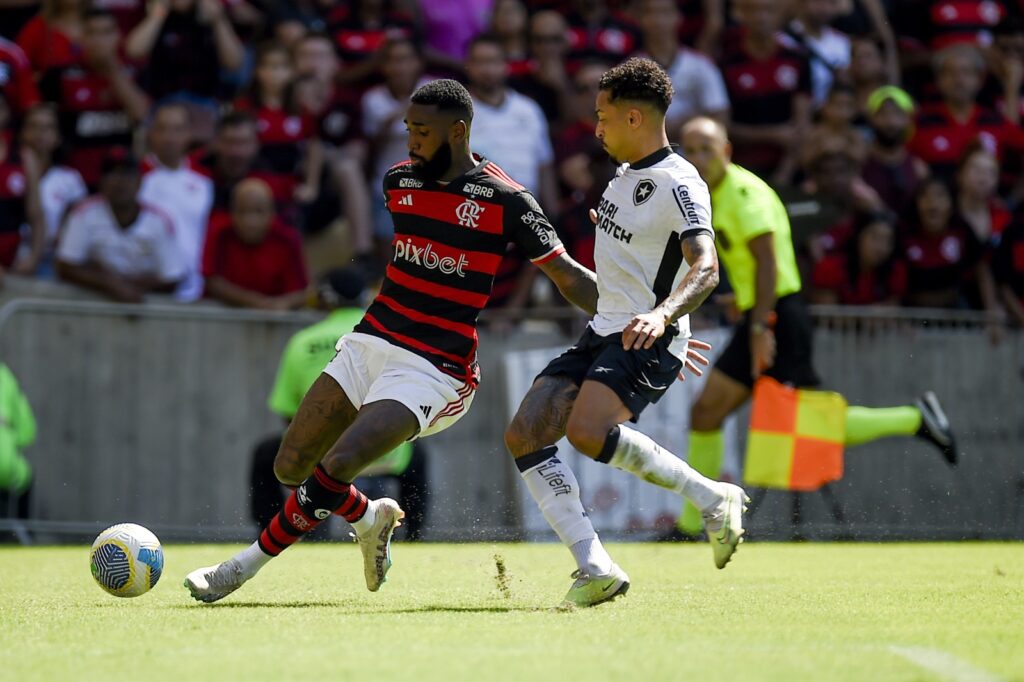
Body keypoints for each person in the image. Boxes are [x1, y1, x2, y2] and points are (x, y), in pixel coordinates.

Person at [184, 78, 601, 603]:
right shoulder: (397, 182)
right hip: (372, 341)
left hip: (436, 366)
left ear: (459, 130)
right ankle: (370, 515)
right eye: (408, 128)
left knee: (338, 464)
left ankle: (239, 569)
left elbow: (566, 276)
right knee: (289, 464)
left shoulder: (508, 199)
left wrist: (634, 316)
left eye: (423, 131)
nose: (411, 141)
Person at [504, 57, 744, 609]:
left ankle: (710, 497)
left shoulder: (680, 182)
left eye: (603, 116)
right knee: (523, 435)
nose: (596, 128)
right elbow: (617, 284)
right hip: (607, 331)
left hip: (643, 336)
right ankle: (595, 567)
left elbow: (706, 268)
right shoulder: (623, 180)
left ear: (634, 118)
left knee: (587, 433)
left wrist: (665, 318)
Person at [674, 117, 959, 537]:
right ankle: (691, 525)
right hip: (764, 314)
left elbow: (769, 262)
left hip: (777, 321)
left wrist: (759, 326)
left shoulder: (744, 193)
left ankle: (914, 419)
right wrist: (747, 301)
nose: (697, 159)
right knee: (705, 414)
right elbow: (761, 268)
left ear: (726, 152)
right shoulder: (712, 195)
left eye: (706, 149)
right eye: (690, 150)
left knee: (809, 426)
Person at [252, 267, 429, 537]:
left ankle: (281, 532)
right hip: (384, 454)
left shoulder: (303, 341)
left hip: (319, 456)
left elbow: (290, 414)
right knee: (417, 454)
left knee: (266, 454)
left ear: (323, 298)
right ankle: (416, 537)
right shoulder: (390, 336)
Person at [56, 148, 186, 302]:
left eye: (127, 174)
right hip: (94, 305)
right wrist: (110, 285)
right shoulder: (84, 213)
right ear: (101, 181)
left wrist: (128, 287)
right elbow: (66, 266)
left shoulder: (159, 221)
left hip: (144, 310)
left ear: (139, 182)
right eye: (112, 173)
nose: (120, 181)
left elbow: (172, 277)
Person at [139, 101, 214, 302]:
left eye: (177, 129)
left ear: (189, 134)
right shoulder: (135, 178)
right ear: (151, 133)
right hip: (145, 290)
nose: (169, 137)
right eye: (162, 129)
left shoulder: (205, 181)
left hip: (195, 290)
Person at [201, 178, 309, 311]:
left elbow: (302, 292)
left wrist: (283, 303)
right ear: (232, 212)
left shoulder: (288, 240)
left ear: (272, 213)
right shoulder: (219, 232)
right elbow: (212, 282)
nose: (250, 221)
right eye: (243, 211)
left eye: (258, 211)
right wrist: (255, 302)